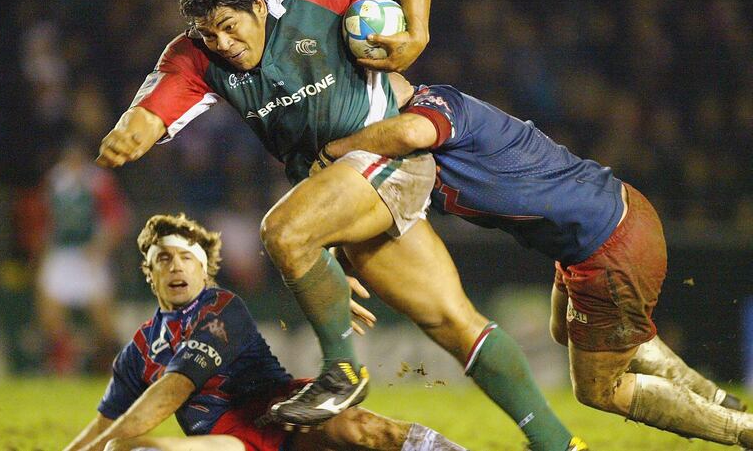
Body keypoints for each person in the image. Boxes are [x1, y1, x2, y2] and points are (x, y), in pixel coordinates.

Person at [96, 0, 586, 451]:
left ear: (258, 6)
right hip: (346, 186)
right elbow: (153, 107)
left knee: (283, 230)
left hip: (388, 155)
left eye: (228, 26)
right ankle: (557, 443)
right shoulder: (197, 57)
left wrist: (416, 34)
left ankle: (342, 369)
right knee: (452, 321)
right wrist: (132, 129)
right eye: (207, 32)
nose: (220, 43)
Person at [319, 74, 753, 447]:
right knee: (564, 330)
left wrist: (337, 149)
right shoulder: (410, 153)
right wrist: (344, 264)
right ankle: (715, 398)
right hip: (603, 225)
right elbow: (381, 210)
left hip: (606, 244)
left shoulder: (436, 107)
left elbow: (410, 133)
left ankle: (742, 430)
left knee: (600, 389)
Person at [63, 213, 467, 451]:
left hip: (281, 415)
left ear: (204, 270)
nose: (175, 266)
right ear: (149, 274)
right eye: (163, 259)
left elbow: (172, 391)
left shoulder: (222, 310)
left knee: (362, 428)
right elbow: (106, 422)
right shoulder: (138, 350)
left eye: (187, 257)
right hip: (228, 443)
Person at [37, 138, 128, 374]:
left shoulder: (99, 182)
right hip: (61, 252)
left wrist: (101, 247)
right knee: (49, 314)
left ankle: (120, 366)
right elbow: (47, 221)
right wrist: (43, 253)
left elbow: (117, 219)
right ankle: (64, 363)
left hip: (90, 254)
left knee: (104, 320)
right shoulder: (54, 181)